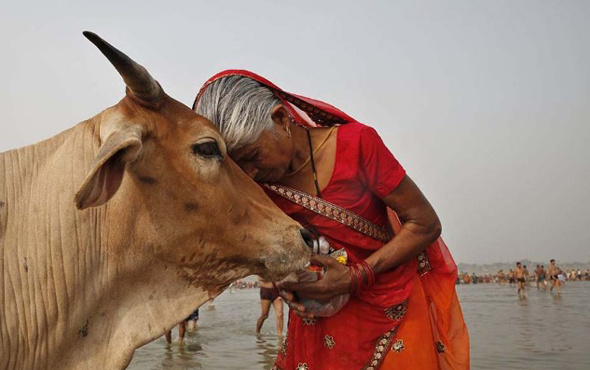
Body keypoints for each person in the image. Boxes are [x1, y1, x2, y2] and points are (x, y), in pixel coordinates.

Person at [193, 70, 469, 369]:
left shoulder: (357, 145)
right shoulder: (257, 188)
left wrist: (354, 277)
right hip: (320, 321)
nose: (249, 173)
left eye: (253, 155)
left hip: (392, 305)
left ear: (281, 119)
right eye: (238, 165)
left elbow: (424, 223)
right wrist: (291, 290)